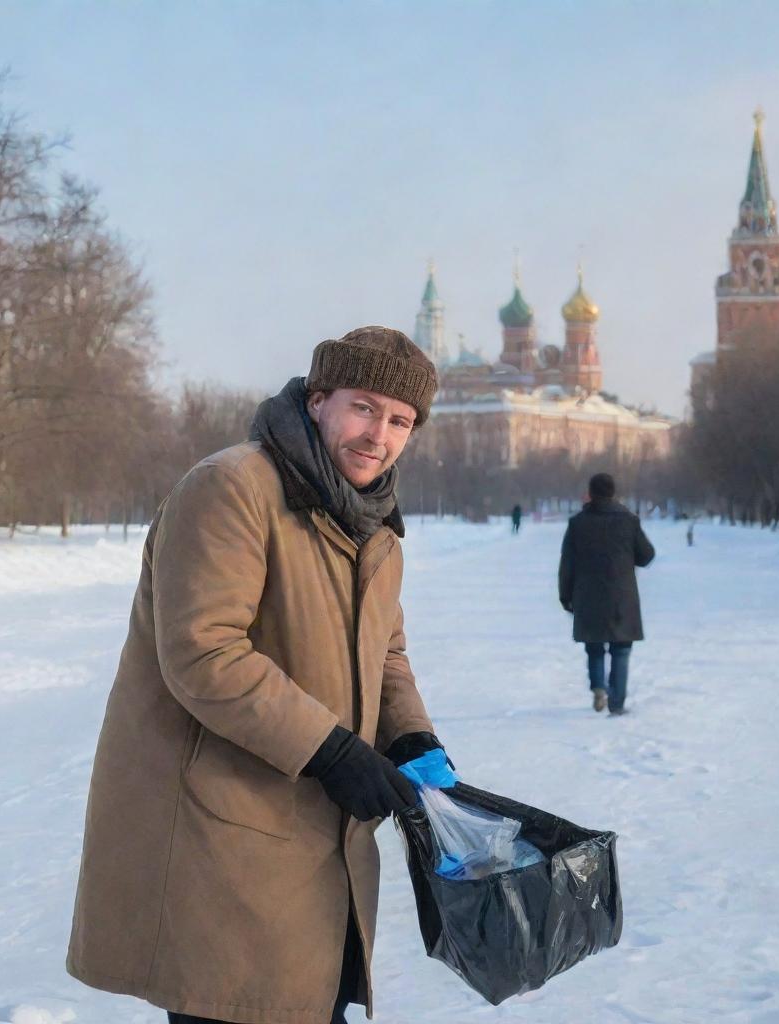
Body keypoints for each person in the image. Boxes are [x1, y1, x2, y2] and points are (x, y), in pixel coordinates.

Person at [66, 327, 449, 1024]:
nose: (380, 435)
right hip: (223, 839)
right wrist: (333, 750)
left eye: (400, 421)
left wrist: (412, 737)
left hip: (315, 851)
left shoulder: (375, 527)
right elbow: (204, 651)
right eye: (365, 407)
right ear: (319, 399)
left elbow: (386, 651)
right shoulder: (232, 488)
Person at [558, 472, 655, 715]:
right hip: (621, 596)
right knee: (621, 650)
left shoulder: (578, 523)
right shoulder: (628, 520)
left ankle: (599, 687)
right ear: (613, 492)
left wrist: (565, 596)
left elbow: (567, 563)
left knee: (594, 646)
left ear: (591, 493)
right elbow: (647, 555)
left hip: (588, 596)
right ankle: (617, 703)